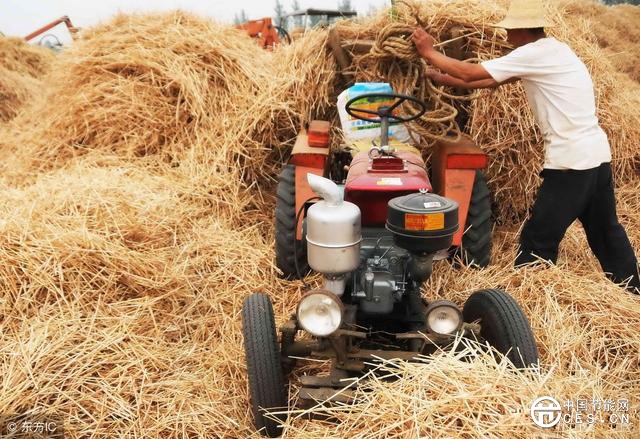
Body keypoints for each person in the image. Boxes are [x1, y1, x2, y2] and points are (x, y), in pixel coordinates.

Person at [411, 0, 639, 294]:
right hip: (596, 157)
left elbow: (470, 73)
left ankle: (526, 299)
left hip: (570, 163)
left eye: (510, 30)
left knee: (538, 238)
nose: (507, 35)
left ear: (522, 30)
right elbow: (488, 82)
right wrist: (441, 77)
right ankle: (633, 291)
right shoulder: (556, 50)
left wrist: (429, 52)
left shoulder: (532, 54)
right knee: (607, 232)